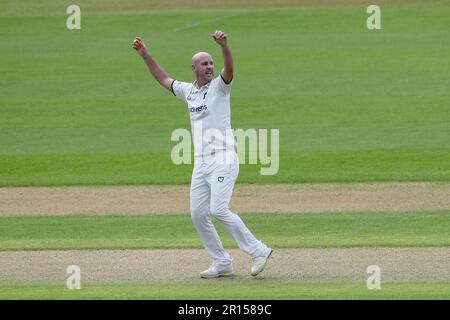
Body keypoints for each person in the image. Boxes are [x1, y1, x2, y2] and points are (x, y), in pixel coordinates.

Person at [132, 30, 272, 278]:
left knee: (218, 210)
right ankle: (222, 263)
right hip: (201, 163)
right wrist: (145, 55)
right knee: (198, 214)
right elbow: (164, 79)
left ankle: (258, 250)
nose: (209, 67)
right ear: (194, 67)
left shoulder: (220, 87)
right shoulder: (189, 91)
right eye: (204, 64)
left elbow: (229, 69)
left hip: (224, 159)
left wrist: (225, 48)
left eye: (211, 63)